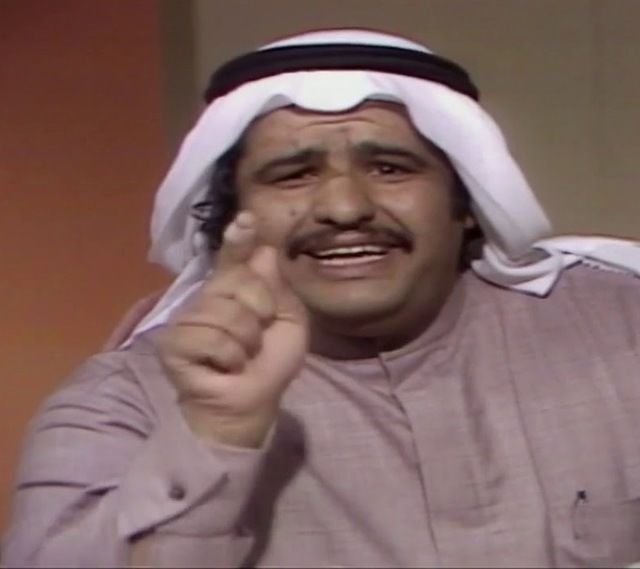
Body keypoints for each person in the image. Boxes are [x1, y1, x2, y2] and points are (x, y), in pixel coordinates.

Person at [4, 28, 640, 568]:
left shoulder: (621, 326)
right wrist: (214, 434)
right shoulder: (123, 400)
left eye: (390, 168)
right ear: (229, 216)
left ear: (468, 201)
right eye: (294, 175)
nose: (344, 207)